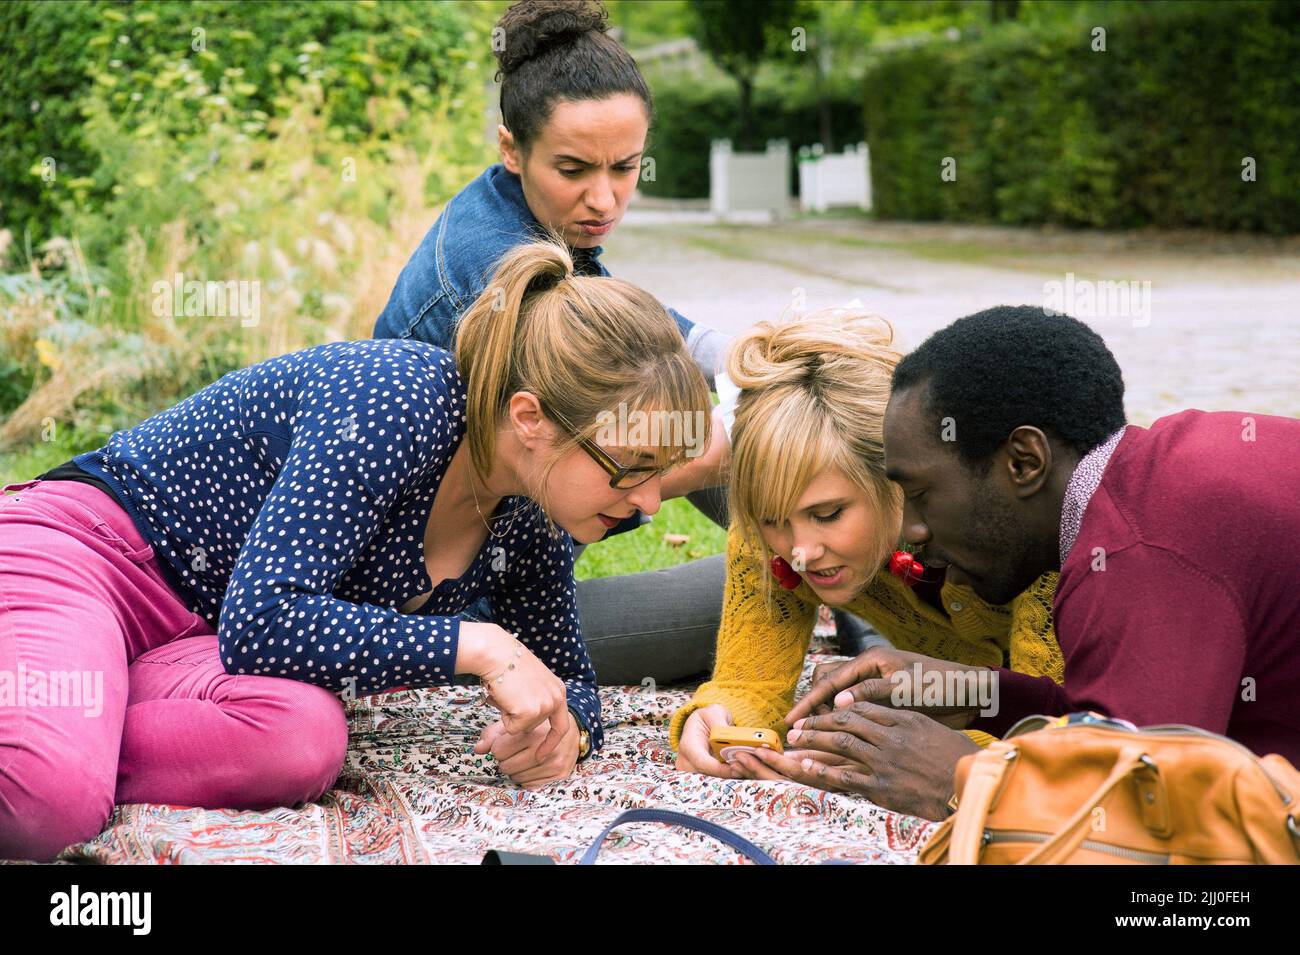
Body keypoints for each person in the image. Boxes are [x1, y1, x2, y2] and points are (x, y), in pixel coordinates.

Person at [0, 239, 711, 862]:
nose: (649, 502)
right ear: (530, 419)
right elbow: (267, 620)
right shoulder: (394, 402)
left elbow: (570, 677)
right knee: (47, 803)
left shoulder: (533, 512)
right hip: (93, 557)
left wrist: (564, 733)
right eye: (632, 467)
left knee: (304, 740)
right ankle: (54, 733)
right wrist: (482, 645)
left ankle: (64, 713)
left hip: (201, 636)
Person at [372, 0, 879, 680]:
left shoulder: (520, 208)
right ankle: (875, 604)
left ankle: (878, 598)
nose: (604, 199)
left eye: (625, 168)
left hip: (530, 538)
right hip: (458, 603)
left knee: (750, 432)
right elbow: (578, 477)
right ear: (510, 149)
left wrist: (727, 352)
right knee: (765, 578)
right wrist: (708, 455)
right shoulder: (493, 273)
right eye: (575, 169)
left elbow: (637, 327)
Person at [786, 305, 1300, 817]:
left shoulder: (1134, 553)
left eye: (921, 493)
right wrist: (979, 693)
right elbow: (1114, 729)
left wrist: (966, 780)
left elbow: (1136, 816)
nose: (912, 531)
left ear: (1024, 463)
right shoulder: (1153, 486)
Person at [668, 310, 1065, 820]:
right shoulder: (777, 536)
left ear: (894, 479)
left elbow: (1053, 726)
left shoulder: (1027, 532)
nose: (800, 551)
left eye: (828, 514)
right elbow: (750, 682)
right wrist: (719, 720)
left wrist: (921, 755)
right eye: (773, 519)